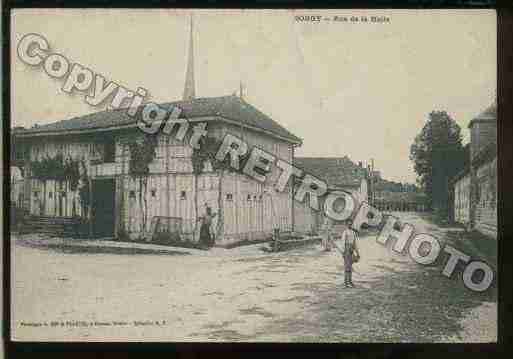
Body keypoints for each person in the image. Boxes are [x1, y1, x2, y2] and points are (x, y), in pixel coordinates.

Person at [333, 219, 360, 288]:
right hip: (347, 250)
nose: (349, 225)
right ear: (346, 225)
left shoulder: (353, 232)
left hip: (351, 250)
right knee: (347, 267)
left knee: (350, 267)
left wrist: (357, 253)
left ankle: (350, 281)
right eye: (348, 224)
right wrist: (343, 252)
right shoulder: (345, 232)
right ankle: (346, 282)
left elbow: (354, 243)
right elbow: (343, 243)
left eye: (351, 224)